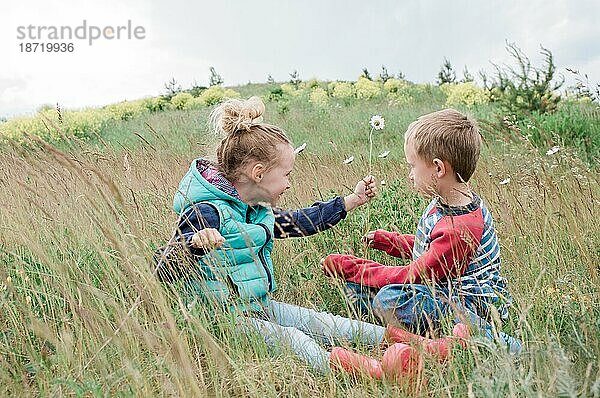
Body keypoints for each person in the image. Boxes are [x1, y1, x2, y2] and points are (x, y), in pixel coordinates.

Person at [155, 96, 450, 380]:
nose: (288, 183)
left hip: (259, 307)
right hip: (224, 321)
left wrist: (351, 200)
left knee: (326, 323)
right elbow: (162, 268)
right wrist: (194, 245)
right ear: (258, 173)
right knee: (295, 339)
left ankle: (419, 346)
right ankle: (378, 373)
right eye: (286, 174)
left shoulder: (255, 210)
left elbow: (299, 222)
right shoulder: (207, 212)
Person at [322, 109, 522, 354]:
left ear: (438, 169)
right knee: (355, 289)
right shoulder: (445, 202)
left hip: (469, 306)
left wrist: (355, 268)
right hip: (440, 291)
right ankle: (423, 337)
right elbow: (431, 252)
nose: (409, 175)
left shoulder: (459, 228)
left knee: (388, 298)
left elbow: (415, 274)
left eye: (413, 166)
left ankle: (491, 340)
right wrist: (391, 242)